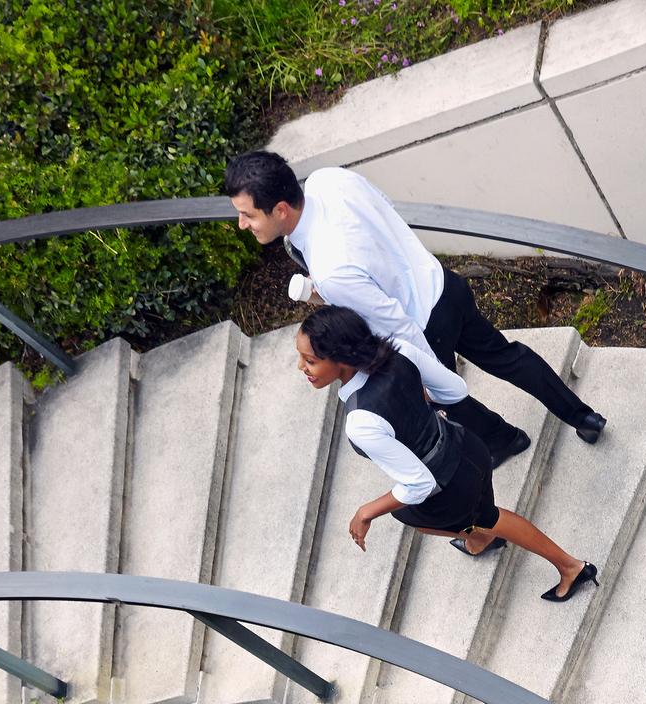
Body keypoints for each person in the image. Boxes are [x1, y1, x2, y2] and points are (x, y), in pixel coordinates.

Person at [226, 150, 608, 466]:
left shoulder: (331, 270)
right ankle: (583, 416)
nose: (242, 224)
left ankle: (504, 440)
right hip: (443, 283)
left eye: (248, 215)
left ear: (279, 210)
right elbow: (387, 209)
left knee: (450, 397)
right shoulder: (329, 179)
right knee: (507, 356)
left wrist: (428, 376)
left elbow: (393, 322)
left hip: (422, 324)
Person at [297, 304, 597, 603]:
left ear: (340, 358)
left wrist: (366, 512)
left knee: (466, 516)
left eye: (309, 360)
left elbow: (420, 484)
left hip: (449, 485)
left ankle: (570, 567)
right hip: (468, 444)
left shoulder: (360, 421)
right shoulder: (396, 349)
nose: (302, 367)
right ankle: (479, 538)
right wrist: (423, 408)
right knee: (448, 513)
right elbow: (454, 390)